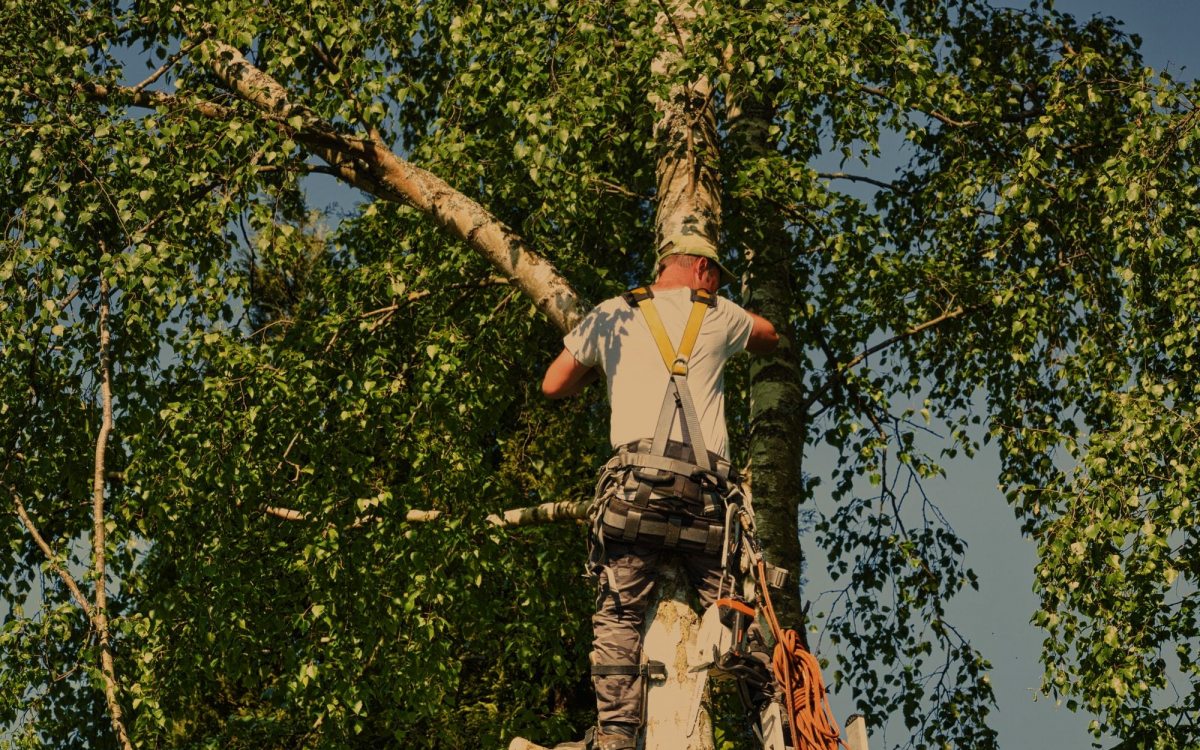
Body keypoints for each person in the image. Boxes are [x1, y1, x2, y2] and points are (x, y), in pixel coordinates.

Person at [542, 233, 779, 750]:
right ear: (701, 269)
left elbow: (553, 384)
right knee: (732, 608)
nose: (717, 285)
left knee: (620, 613)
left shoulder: (611, 315)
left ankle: (617, 738)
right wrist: (727, 311)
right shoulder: (720, 315)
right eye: (716, 275)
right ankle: (774, 722)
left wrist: (595, 369)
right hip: (708, 507)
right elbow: (770, 335)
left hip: (635, 499)